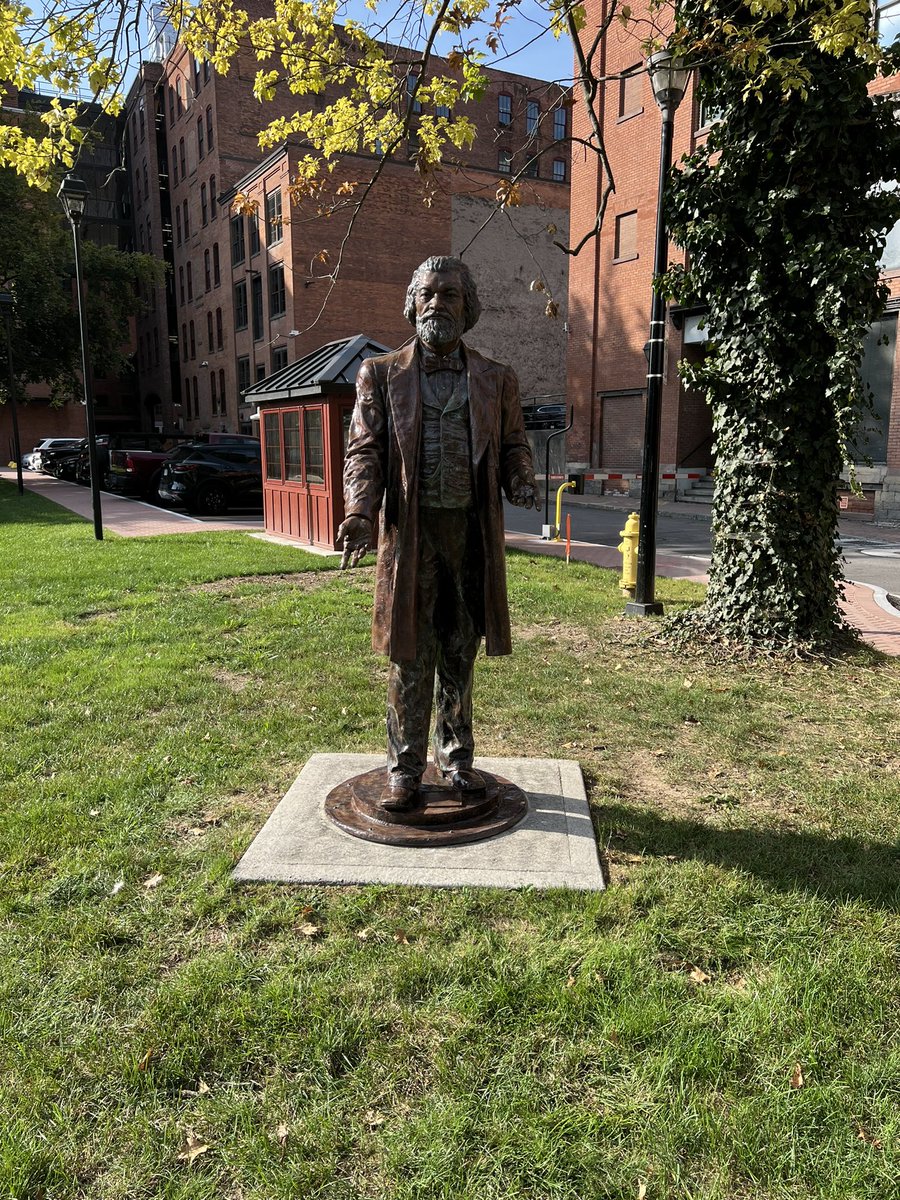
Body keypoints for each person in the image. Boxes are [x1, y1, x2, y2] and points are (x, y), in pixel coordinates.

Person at [337, 256, 539, 811]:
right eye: (427, 293)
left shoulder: (497, 378)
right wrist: (359, 511)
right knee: (411, 651)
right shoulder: (381, 374)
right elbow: (364, 450)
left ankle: (455, 759)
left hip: (471, 535)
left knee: (459, 648)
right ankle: (404, 768)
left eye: (449, 294)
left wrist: (521, 477)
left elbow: (514, 443)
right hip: (413, 535)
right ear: (412, 303)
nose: (436, 303)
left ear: (467, 307)